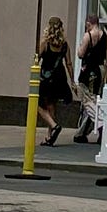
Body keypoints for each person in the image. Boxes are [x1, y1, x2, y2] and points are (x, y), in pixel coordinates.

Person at [36, 15, 74, 148]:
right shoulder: (64, 45)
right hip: (60, 78)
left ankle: (54, 126)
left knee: (38, 105)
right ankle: (49, 137)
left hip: (47, 78)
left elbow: (37, 58)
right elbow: (69, 64)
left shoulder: (45, 43)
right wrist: (72, 81)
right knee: (52, 105)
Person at [74, 12, 107, 144]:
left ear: (89, 23)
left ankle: (102, 126)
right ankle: (84, 132)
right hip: (99, 70)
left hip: (88, 70)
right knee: (95, 98)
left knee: (88, 101)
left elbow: (80, 53)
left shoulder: (88, 36)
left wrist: (79, 48)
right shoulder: (104, 35)